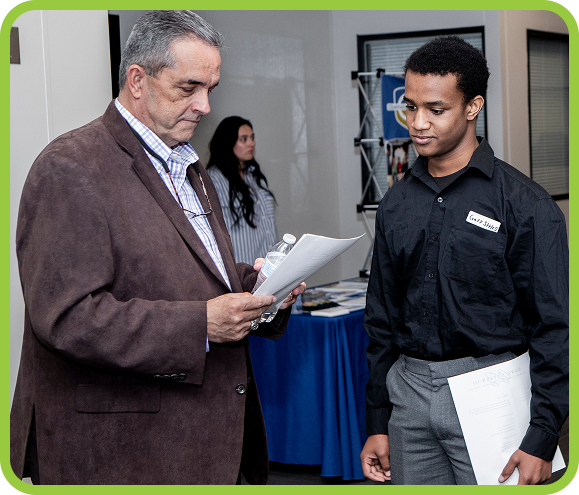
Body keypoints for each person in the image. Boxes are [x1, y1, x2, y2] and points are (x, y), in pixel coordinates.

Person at [10, 10, 304, 485]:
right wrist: (201, 324)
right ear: (137, 80)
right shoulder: (70, 167)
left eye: (211, 89)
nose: (204, 106)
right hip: (123, 453)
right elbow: (66, 318)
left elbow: (198, 272)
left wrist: (262, 287)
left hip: (203, 443)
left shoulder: (188, 166)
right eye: (189, 88)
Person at [360, 35, 568, 485]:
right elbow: (381, 319)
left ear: (473, 107)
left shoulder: (526, 204)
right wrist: (377, 420)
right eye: (410, 107)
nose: (418, 123)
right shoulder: (396, 203)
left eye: (436, 109)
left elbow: (555, 326)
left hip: (493, 390)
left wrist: (543, 434)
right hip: (409, 395)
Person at [206, 116, 278, 265]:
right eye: (244, 139)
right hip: (240, 269)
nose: (251, 143)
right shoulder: (214, 179)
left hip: (267, 267)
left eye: (252, 138)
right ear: (228, 143)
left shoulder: (255, 176)